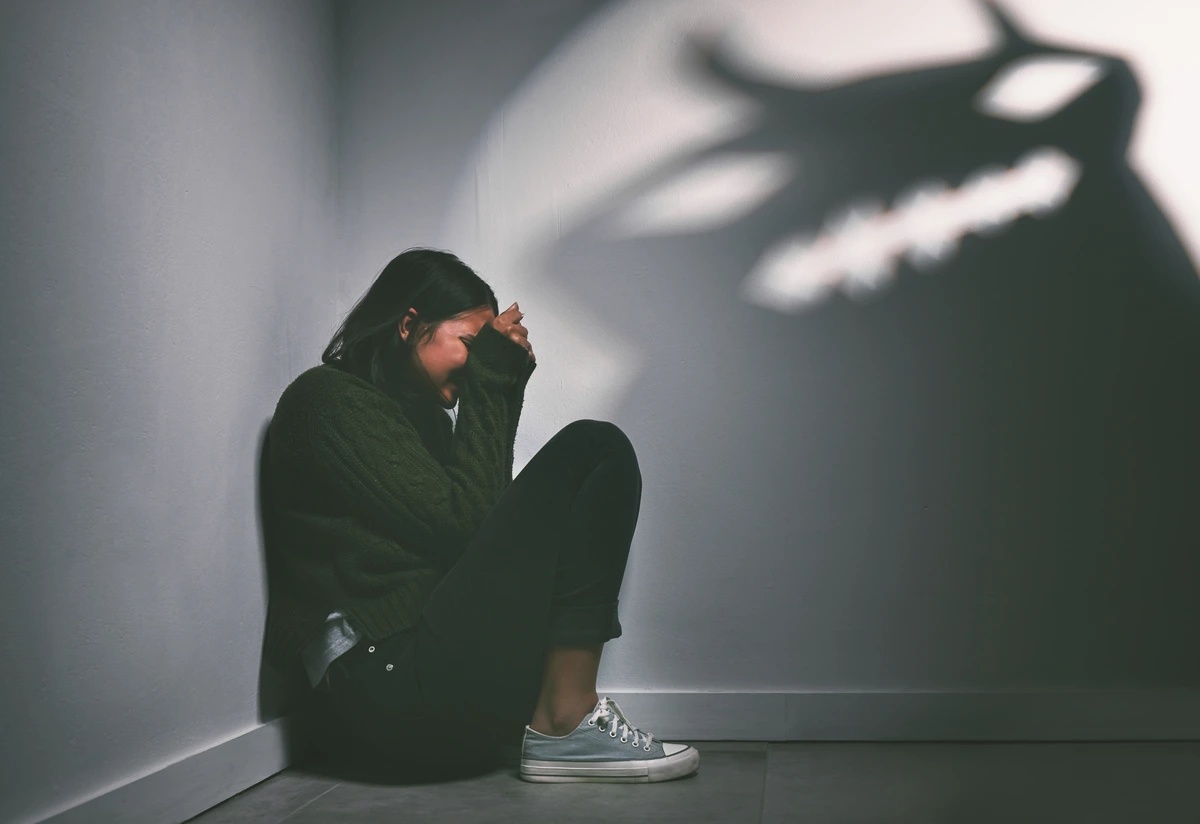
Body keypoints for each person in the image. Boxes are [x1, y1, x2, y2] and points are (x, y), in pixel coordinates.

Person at [260, 248, 700, 783]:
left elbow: (482, 536)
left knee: (591, 464)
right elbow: (468, 526)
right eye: (470, 344)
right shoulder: (327, 399)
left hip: (432, 686)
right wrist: (494, 381)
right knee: (595, 447)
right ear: (408, 325)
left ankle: (560, 720)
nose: (477, 364)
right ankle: (565, 720)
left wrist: (501, 387)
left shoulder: (424, 424)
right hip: (384, 691)